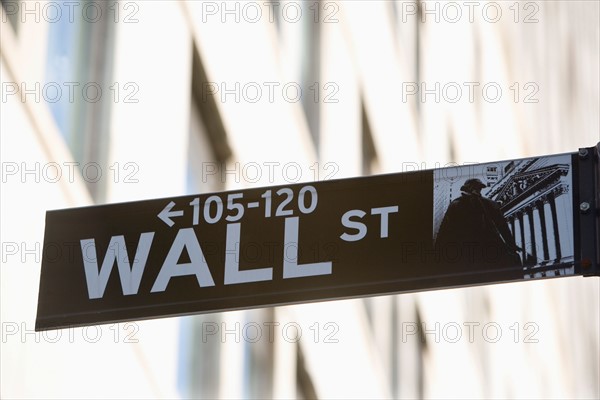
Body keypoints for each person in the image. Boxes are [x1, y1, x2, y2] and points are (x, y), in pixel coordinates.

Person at [435, 178, 522, 272]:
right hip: (467, 248)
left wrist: (512, 245)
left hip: (487, 246)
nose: (478, 190)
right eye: (475, 187)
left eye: (479, 188)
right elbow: (445, 229)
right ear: (468, 188)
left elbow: (502, 226)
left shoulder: (488, 203)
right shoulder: (456, 204)